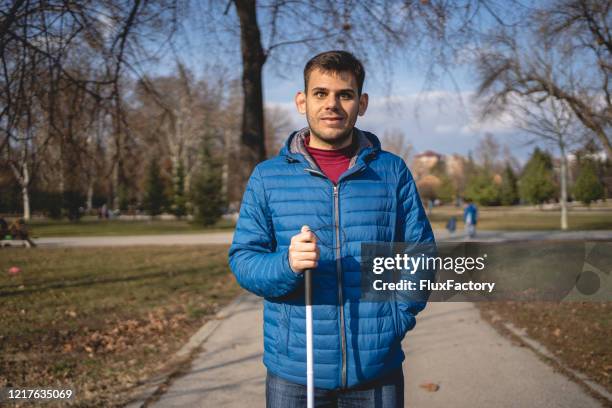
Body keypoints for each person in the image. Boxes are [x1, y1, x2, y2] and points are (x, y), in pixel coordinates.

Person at [228, 50, 435, 407]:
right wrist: (287, 265)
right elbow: (244, 260)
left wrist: (397, 319)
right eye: (321, 93)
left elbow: (421, 252)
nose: (332, 105)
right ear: (301, 100)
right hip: (295, 374)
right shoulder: (267, 176)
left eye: (345, 94)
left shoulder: (391, 171)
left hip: (376, 370)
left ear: (362, 102)